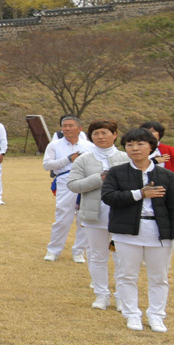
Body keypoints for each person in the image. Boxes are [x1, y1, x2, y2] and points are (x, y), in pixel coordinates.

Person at [103, 127, 174, 332]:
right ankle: (132, 314)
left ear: (151, 147)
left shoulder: (166, 175)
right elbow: (109, 197)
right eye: (130, 145)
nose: (135, 148)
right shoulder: (117, 172)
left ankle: (157, 315)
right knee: (127, 275)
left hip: (158, 233)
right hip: (126, 232)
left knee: (159, 277)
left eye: (140, 144)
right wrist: (139, 194)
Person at [66, 120, 123, 310]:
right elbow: (73, 185)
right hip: (93, 215)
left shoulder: (125, 158)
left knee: (122, 257)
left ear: (114, 134)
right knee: (97, 256)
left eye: (105, 132)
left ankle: (122, 296)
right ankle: (101, 294)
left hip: (121, 215)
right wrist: (100, 178)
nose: (100, 137)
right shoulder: (83, 159)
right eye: (96, 133)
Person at [42, 116, 94, 263]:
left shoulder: (89, 146)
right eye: (64, 126)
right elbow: (47, 165)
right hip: (65, 182)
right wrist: (68, 159)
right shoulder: (54, 145)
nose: (67, 129)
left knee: (83, 218)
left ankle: (79, 251)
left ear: (80, 129)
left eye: (71, 125)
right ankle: (53, 250)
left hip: (86, 182)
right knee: (62, 218)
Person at [140, 121, 174, 199]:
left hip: (167, 188)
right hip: (143, 189)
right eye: (147, 131)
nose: (149, 133)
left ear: (160, 133)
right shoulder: (136, 149)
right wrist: (153, 161)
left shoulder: (171, 150)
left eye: (153, 131)